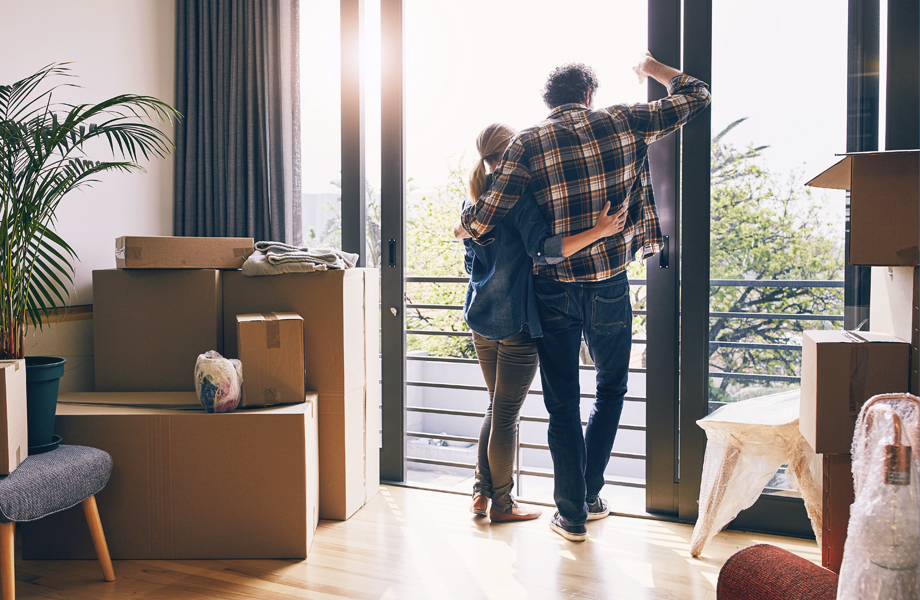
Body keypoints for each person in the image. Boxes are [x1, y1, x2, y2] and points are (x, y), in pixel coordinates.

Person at [460, 54, 711, 541]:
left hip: (553, 290)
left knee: (561, 405)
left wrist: (466, 223)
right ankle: (590, 493)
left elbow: (480, 220)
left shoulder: (528, 143)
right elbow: (697, 94)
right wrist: (653, 68)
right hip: (610, 285)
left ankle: (571, 515)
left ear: (548, 102)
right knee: (611, 388)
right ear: (589, 95)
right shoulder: (624, 119)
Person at [458, 123, 627, 523]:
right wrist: (599, 230)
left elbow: (470, 262)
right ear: (514, 151)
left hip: (480, 318)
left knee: (496, 407)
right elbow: (544, 251)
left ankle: (482, 495)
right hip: (516, 323)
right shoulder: (518, 198)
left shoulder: (476, 202)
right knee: (506, 413)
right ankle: (502, 503)